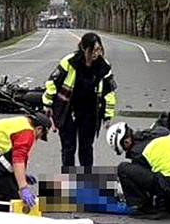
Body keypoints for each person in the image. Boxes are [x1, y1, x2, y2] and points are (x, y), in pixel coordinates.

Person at [42, 32, 117, 168]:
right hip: (68, 110)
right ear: (83, 47)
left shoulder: (104, 67)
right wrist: (47, 104)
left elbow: (109, 93)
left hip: (90, 113)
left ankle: (86, 180)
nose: (96, 54)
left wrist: (108, 116)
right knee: (68, 147)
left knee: (86, 148)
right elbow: (52, 83)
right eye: (93, 50)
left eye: (99, 50)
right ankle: (69, 181)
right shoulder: (69, 62)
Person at [106, 121, 170, 219]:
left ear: (126, 141)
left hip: (168, 184)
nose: (125, 151)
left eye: (123, 148)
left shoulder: (138, 152)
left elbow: (142, 183)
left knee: (123, 168)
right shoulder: (161, 131)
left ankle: (144, 208)